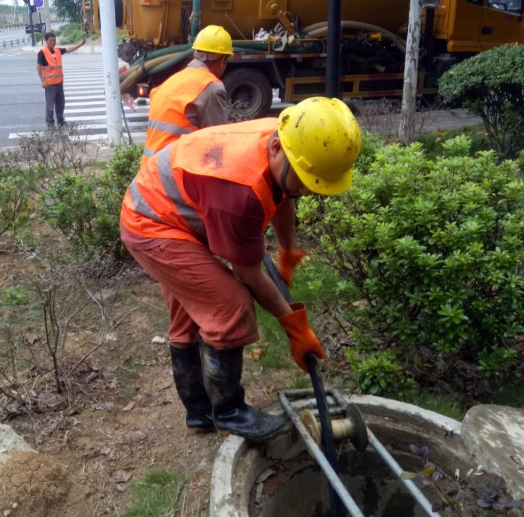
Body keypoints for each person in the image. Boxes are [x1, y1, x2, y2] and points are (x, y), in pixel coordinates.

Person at [120, 97, 362, 443]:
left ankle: (199, 412)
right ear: (278, 149)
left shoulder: (283, 140)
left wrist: (287, 249)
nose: (308, 190)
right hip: (151, 224)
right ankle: (229, 411)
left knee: (191, 311)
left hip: (175, 209)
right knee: (230, 305)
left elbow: (282, 195)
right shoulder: (239, 192)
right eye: (307, 181)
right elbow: (248, 274)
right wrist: (295, 326)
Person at [141, 25, 232, 166]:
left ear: (195, 54)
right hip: (172, 176)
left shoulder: (173, 80)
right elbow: (216, 146)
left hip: (149, 174)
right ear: (222, 61)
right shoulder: (211, 87)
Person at [37, 32, 86, 128]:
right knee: (50, 106)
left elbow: (69, 49)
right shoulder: (42, 52)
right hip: (50, 85)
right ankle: (50, 124)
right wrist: (42, 80)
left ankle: (61, 121)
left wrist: (80, 44)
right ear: (46, 41)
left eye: (54, 40)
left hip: (59, 83)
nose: (53, 42)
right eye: (51, 41)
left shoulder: (57, 50)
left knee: (60, 104)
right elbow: (38, 67)